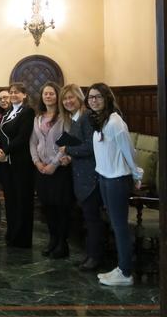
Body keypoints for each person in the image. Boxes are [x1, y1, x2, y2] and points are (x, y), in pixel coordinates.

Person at [86, 83, 142, 286]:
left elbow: (129, 150)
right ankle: (121, 267)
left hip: (117, 179)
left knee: (120, 227)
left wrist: (136, 174)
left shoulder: (115, 122)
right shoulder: (100, 120)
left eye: (98, 97)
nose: (94, 100)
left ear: (107, 98)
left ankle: (126, 273)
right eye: (91, 97)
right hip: (105, 177)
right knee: (115, 225)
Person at [58, 84, 104, 271]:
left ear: (79, 98)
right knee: (89, 219)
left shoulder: (86, 117)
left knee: (93, 220)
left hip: (90, 177)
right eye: (65, 99)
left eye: (71, 97)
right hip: (81, 175)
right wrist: (69, 157)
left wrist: (68, 150)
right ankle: (90, 255)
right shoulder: (75, 119)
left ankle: (95, 257)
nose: (68, 101)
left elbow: (91, 148)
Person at [30, 82, 73, 258]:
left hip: (59, 170)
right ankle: (53, 240)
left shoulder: (64, 118)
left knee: (61, 207)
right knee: (47, 207)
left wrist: (53, 165)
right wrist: (37, 162)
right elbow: (33, 142)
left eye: (51, 94)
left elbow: (67, 143)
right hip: (41, 169)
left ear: (58, 96)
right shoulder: (38, 118)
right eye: (45, 94)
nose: (48, 96)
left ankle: (62, 243)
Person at [0, 82, 35, 248]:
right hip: (6, 164)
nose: (13, 95)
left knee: (22, 200)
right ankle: (11, 234)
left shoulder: (28, 112)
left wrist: (5, 151)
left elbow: (23, 137)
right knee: (10, 200)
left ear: (24, 95)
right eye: (11, 92)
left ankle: (22, 238)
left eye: (17, 92)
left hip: (21, 163)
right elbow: (0, 134)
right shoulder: (7, 112)